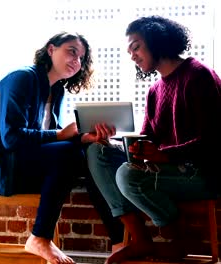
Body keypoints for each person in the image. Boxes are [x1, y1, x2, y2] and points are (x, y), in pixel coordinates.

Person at [0, 31, 124, 264]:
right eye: (72, 51)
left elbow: (50, 139)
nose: (77, 61)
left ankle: (118, 241)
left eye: (81, 57)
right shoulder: (22, 79)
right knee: (72, 154)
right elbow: (11, 138)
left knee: (91, 152)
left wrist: (84, 138)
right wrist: (63, 135)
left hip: (22, 163)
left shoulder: (56, 90)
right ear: (51, 50)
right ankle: (39, 237)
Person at [86, 15, 221, 264]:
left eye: (136, 47)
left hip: (201, 173)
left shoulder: (199, 75)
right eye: (129, 51)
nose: (133, 56)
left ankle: (176, 238)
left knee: (128, 174)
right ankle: (141, 239)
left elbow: (213, 141)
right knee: (98, 151)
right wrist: (122, 143)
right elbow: (151, 139)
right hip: (169, 168)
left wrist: (164, 154)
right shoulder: (154, 91)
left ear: (156, 39)